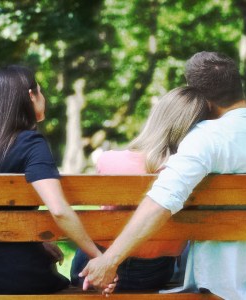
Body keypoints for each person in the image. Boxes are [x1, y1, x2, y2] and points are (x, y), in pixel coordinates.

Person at [79, 51, 246, 300]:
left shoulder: (206, 138)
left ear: (201, 102)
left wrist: (110, 260)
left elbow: (163, 199)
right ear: (240, 88)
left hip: (220, 282)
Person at [0, 65, 104, 295]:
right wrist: (99, 258)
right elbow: (59, 210)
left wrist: (37, 241)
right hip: (16, 274)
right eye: (40, 92)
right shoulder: (33, 144)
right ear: (31, 96)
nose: (44, 98)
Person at [70, 86, 209, 291]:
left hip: (95, 267)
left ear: (158, 119)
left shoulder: (110, 161)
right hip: (156, 273)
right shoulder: (197, 175)